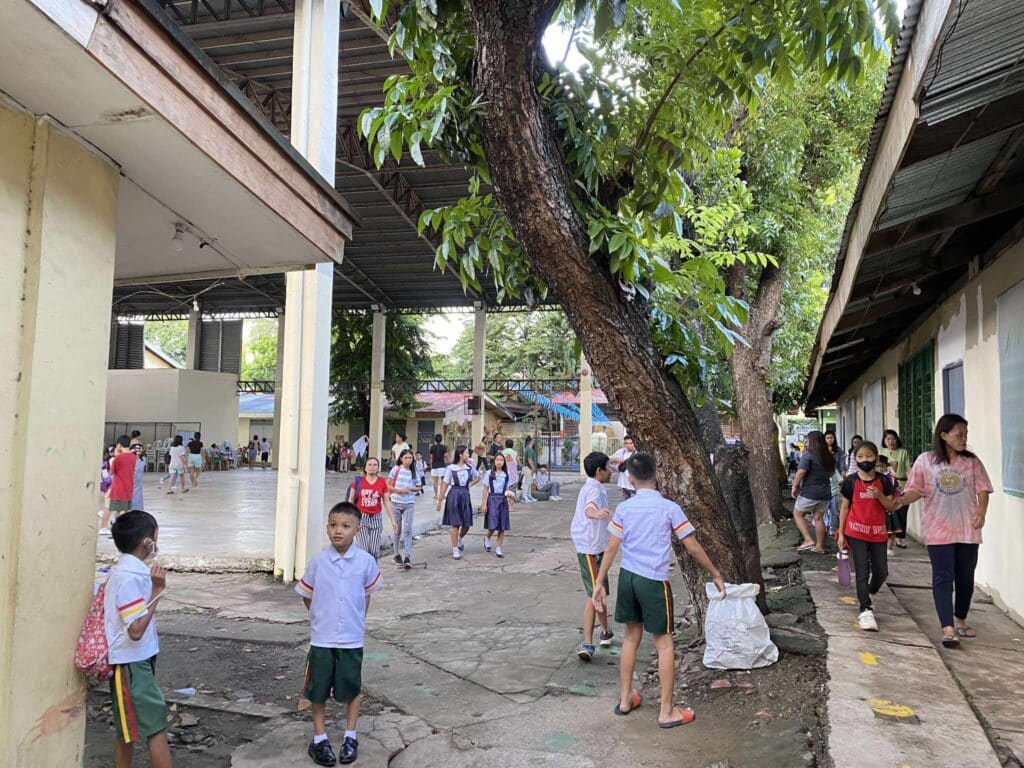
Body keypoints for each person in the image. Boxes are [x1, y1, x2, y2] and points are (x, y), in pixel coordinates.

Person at [591, 452, 726, 728]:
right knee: (664, 644)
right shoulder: (669, 508)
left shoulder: (625, 509)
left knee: (630, 638)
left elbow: (612, 546)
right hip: (653, 581)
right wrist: (715, 573)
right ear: (657, 475)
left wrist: (598, 583)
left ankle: (626, 699)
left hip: (628, 578)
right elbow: (691, 545)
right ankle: (666, 712)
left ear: (629, 479)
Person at [295, 502, 383, 766]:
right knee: (318, 689)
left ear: (357, 529)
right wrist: (322, 618)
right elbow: (307, 596)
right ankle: (320, 739)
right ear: (327, 528)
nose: (338, 531)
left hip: (351, 638)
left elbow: (365, 596)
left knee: (352, 686)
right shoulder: (319, 562)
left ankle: (350, 735)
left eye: (345, 526)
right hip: (322, 638)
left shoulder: (366, 562)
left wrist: (355, 621)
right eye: (333, 525)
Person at [895, 414, 992, 648]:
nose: (964, 439)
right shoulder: (925, 461)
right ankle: (947, 627)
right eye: (959, 435)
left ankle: (960, 619)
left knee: (966, 578)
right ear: (943, 435)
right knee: (942, 577)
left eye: (966, 435)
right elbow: (916, 490)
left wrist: (981, 510)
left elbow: (983, 489)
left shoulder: (971, 462)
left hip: (968, 529)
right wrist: (899, 501)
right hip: (938, 530)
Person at [104, 510, 171, 768]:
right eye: (156, 536)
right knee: (155, 729)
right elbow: (135, 630)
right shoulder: (127, 577)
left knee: (127, 731)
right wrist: (157, 590)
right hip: (131, 663)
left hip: (136, 660)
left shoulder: (133, 571)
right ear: (146, 542)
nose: (157, 541)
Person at [837, 441, 897, 632]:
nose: (865, 460)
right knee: (862, 570)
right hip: (856, 532)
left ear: (876, 458)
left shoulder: (884, 481)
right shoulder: (850, 481)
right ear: (855, 459)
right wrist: (841, 533)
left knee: (881, 572)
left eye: (869, 456)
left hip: (878, 532)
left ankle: (868, 592)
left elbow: (891, 506)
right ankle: (865, 609)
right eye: (860, 457)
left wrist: (879, 496)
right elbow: (845, 507)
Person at [571, 451, 615, 660]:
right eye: (608, 467)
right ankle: (587, 643)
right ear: (600, 471)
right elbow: (590, 508)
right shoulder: (593, 491)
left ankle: (605, 631)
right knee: (594, 595)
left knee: (601, 591)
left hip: (598, 546)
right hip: (588, 548)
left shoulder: (596, 486)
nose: (611, 470)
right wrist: (595, 513)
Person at [791, 430, 835, 554]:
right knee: (818, 518)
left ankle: (808, 540)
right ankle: (819, 546)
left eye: (808, 440)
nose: (806, 442)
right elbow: (831, 473)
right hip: (825, 493)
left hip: (810, 492)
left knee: (797, 513)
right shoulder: (829, 456)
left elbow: (801, 472)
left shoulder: (808, 455)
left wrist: (794, 486)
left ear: (812, 441)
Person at [435, 445, 481, 560]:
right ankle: (455, 549)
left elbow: (478, 477)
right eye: (466, 453)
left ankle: (460, 538)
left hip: (465, 495)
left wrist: (469, 484)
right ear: (460, 455)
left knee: (467, 523)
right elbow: (445, 484)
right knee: (455, 524)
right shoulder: (451, 468)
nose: (468, 455)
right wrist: (440, 500)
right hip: (454, 495)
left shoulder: (469, 468)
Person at [347, 457, 395, 560]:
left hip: (376, 518)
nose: (372, 467)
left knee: (374, 551)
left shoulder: (382, 482)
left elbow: (386, 501)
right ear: (365, 468)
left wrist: (392, 520)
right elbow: (350, 500)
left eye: (375, 465)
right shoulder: (357, 482)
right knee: (363, 549)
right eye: (370, 465)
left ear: (378, 468)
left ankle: (373, 573)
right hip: (361, 518)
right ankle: (363, 574)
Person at [387, 449, 421, 569]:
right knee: (397, 530)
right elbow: (388, 485)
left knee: (408, 529)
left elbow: (419, 487)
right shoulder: (396, 469)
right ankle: (396, 554)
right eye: (406, 458)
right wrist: (399, 490)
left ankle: (407, 556)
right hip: (396, 502)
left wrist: (410, 489)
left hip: (409, 503)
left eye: (410, 458)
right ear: (401, 458)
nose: (408, 460)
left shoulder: (414, 472)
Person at [481, 452, 515, 558]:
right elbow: (485, 489)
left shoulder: (506, 475)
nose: (499, 462)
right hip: (492, 500)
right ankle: (487, 538)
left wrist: (510, 504)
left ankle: (499, 548)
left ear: (504, 462)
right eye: (497, 460)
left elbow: (507, 490)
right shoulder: (489, 474)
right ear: (494, 462)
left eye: (501, 460)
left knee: (502, 526)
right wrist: (483, 504)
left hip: (503, 500)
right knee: (492, 525)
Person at [881, 429, 910, 548]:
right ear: (884, 441)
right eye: (888, 439)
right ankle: (884, 537)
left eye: (893, 438)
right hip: (885, 488)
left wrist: (911, 483)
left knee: (902, 513)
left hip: (902, 486)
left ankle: (900, 538)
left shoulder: (903, 452)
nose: (891, 441)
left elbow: (908, 469)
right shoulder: (880, 452)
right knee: (886, 514)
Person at [103, 435, 136, 533]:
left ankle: (121, 529)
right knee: (125, 509)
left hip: (118, 487)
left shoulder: (118, 458)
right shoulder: (133, 457)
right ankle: (124, 527)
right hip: (129, 486)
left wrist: (117, 455)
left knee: (118, 509)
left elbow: (112, 472)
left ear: (119, 445)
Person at [610, 435, 636, 500]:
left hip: (635, 485)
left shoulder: (638, 453)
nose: (628, 445)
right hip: (624, 484)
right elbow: (608, 459)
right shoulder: (621, 452)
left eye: (630, 443)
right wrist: (615, 459)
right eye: (626, 443)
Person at [520, 436, 538, 503]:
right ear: (530, 442)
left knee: (529, 482)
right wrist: (533, 468)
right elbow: (529, 460)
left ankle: (529, 495)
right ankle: (524, 497)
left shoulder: (528, 449)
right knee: (527, 483)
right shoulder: (529, 449)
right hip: (528, 468)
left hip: (527, 468)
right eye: (533, 440)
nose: (533, 441)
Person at [131, 442, 146, 511]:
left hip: (137, 481)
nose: (139, 450)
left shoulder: (142, 459)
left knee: (137, 495)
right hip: (132, 481)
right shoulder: (139, 460)